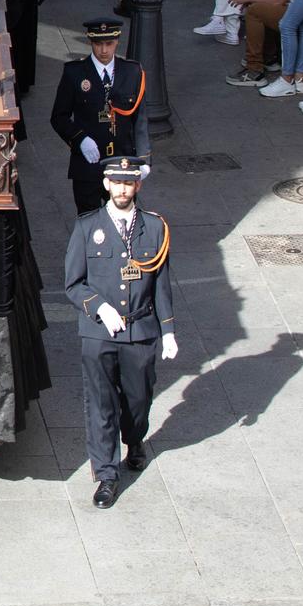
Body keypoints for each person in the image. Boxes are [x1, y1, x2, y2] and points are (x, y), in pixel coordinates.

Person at [63, 157, 177, 510]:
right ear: (106, 185)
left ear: (137, 186)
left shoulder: (154, 228)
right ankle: (106, 475)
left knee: (138, 398)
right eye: (117, 182)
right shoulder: (87, 228)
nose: (123, 189)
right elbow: (73, 284)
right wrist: (100, 306)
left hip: (140, 329)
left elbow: (161, 283)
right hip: (99, 333)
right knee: (101, 404)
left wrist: (168, 331)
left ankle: (135, 437)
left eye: (129, 183)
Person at [51, 19, 150, 214]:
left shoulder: (132, 71)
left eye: (109, 44)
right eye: (98, 44)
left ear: (117, 42)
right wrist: (80, 139)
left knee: (123, 220)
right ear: (90, 42)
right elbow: (59, 117)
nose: (103, 50)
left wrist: (144, 159)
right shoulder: (75, 73)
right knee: (89, 221)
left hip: (122, 161)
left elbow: (140, 119)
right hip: (88, 164)